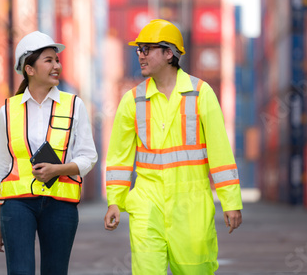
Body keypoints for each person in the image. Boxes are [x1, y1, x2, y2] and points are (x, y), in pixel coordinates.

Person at [104, 19, 243, 274]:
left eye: (147, 49)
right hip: (147, 205)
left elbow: (220, 152)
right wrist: (115, 201)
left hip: (191, 208)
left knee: (195, 270)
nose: (140, 55)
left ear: (169, 53)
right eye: (138, 49)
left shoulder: (201, 93)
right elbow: (118, 159)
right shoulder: (132, 101)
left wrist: (231, 201)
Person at [0, 31, 98, 275]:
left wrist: (58, 170)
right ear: (29, 69)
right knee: (20, 271)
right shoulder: (8, 110)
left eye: (57, 60)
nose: (56, 65)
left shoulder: (74, 105)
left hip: (60, 205)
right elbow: (0, 168)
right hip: (17, 205)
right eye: (49, 60)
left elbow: (89, 156)